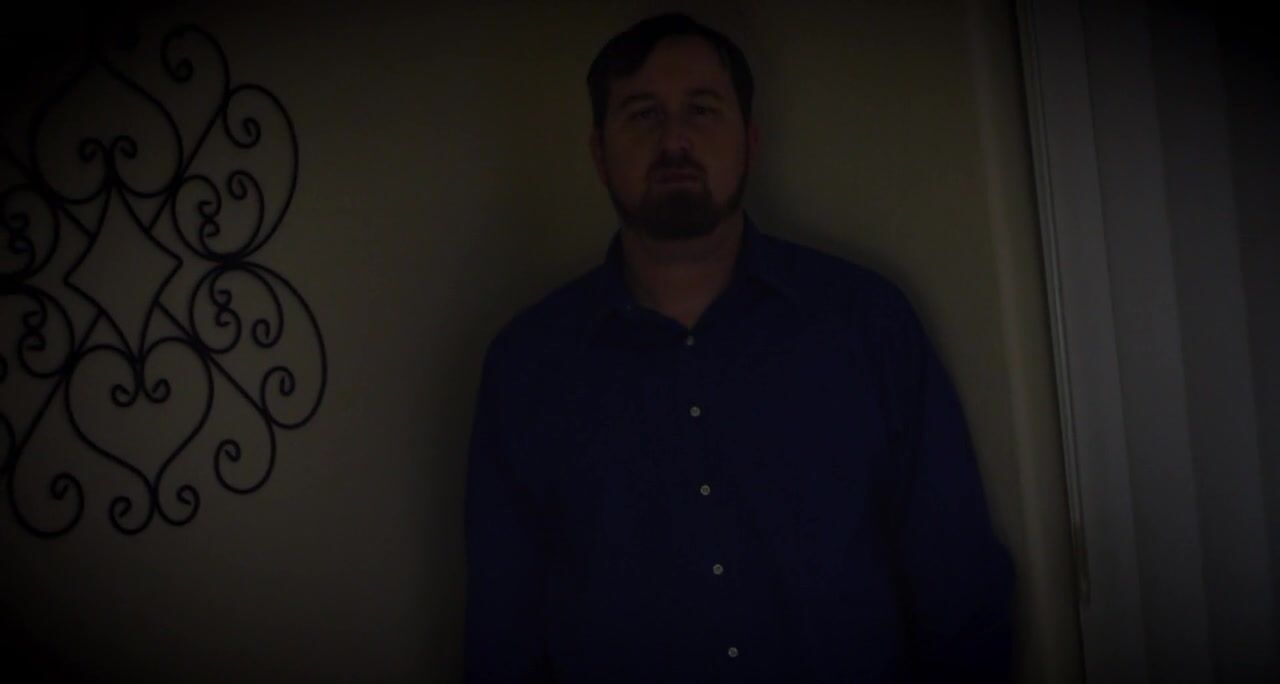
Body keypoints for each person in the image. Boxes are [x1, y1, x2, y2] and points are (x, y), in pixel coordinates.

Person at [464, 12, 1013, 683]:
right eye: (642, 114)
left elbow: (958, 585)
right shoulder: (527, 365)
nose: (674, 139)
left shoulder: (866, 325)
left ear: (749, 142)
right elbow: (502, 628)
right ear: (599, 154)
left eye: (702, 110)